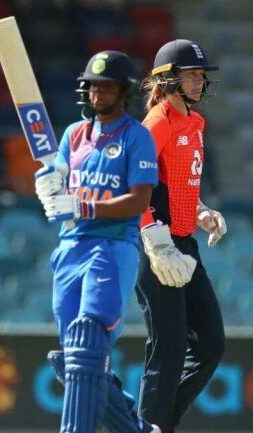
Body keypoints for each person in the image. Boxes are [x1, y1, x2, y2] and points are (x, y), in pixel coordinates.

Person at [33, 51, 160, 433]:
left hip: (113, 246)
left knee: (89, 337)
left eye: (107, 87)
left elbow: (139, 201)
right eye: (93, 86)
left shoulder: (137, 136)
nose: (98, 93)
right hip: (70, 248)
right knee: (75, 356)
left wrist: (85, 207)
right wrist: (48, 186)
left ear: (124, 92)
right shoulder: (73, 135)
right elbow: (59, 182)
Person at [135, 39, 226, 433]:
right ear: (168, 79)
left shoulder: (195, 122)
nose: (198, 82)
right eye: (190, 75)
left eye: (200, 75)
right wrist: (152, 237)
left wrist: (201, 211)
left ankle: (157, 425)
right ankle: (149, 426)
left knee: (209, 344)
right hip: (156, 244)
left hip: (185, 244)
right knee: (168, 347)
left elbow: (178, 182)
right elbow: (132, 181)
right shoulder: (157, 122)